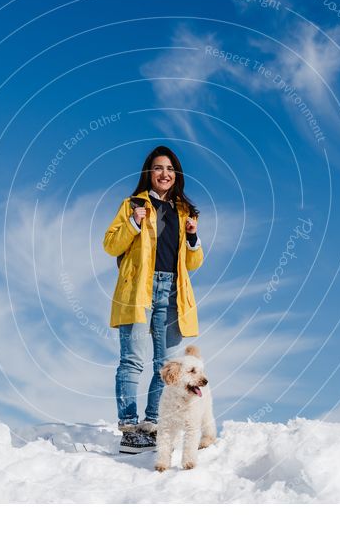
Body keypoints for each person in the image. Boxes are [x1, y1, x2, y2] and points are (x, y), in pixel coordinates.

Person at [103, 145, 204, 454]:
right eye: (159, 168)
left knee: (167, 365)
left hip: (173, 292)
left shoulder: (184, 211)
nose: (165, 174)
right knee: (132, 360)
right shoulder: (133, 204)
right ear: (149, 173)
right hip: (138, 292)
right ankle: (130, 429)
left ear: (177, 176)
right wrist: (134, 222)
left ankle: (152, 424)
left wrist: (191, 237)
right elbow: (110, 244)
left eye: (170, 169)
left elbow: (192, 263)